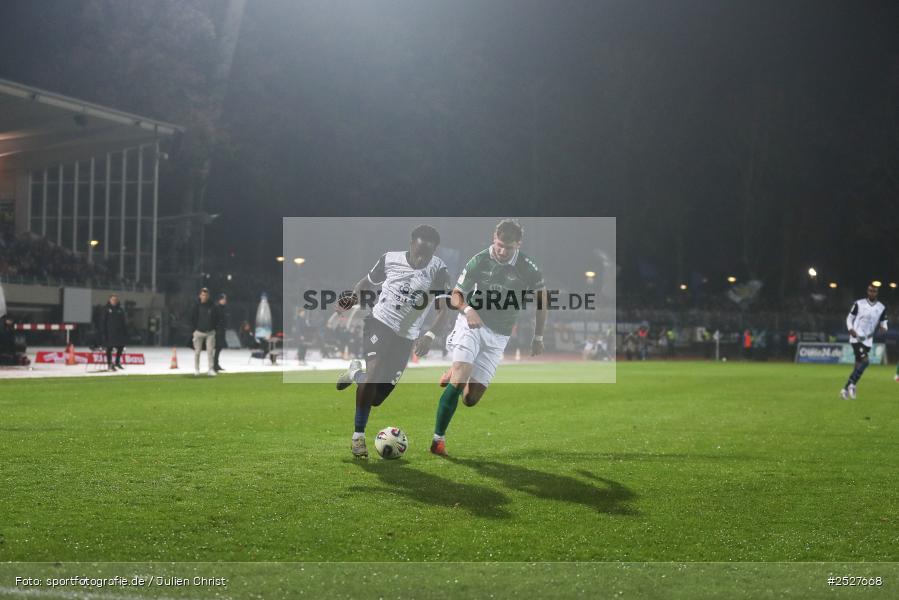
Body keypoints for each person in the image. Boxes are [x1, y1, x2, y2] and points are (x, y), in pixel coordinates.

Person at [430, 218, 547, 457]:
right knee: (460, 379)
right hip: (471, 325)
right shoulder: (479, 260)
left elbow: (542, 302)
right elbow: (456, 295)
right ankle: (437, 439)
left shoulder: (529, 268)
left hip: (499, 336)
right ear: (494, 239)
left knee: (471, 399)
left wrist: (538, 336)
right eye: (498, 245)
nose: (502, 251)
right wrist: (468, 310)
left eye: (508, 247)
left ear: (519, 245)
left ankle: (455, 371)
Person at [334, 224, 452, 458]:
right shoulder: (389, 259)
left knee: (376, 397)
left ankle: (355, 372)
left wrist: (429, 335)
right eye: (418, 252)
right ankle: (358, 437)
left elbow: (443, 311)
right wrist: (351, 299)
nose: (421, 258)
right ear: (411, 243)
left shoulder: (439, 270)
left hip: (405, 337)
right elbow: (365, 283)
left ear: (434, 251)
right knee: (374, 373)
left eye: (426, 255)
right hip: (380, 322)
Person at [841, 284, 887, 399]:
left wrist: (884, 328)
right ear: (867, 291)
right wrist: (850, 329)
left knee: (857, 366)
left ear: (877, 293)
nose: (872, 293)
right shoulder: (859, 304)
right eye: (870, 291)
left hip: (868, 340)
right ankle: (852, 385)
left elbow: (884, 323)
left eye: (874, 291)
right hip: (856, 338)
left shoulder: (881, 307)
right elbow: (849, 318)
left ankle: (844, 390)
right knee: (865, 361)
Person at [189, 287, 219, 377]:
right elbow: (191, 318)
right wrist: (193, 330)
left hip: (210, 332)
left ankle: (210, 369)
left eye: (206, 295)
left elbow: (217, 318)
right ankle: (197, 370)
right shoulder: (196, 306)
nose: (204, 297)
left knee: (210, 352)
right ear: (200, 295)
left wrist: (214, 329)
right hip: (198, 332)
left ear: (208, 296)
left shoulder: (213, 306)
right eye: (203, 295)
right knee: (197, 352)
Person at [102, 294, 127, 370]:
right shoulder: (106, 309)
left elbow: (123, 322)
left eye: (115, 300)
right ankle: (109, 363)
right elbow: (103, 321)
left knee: (121, 347)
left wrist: (124, 332)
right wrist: (104, 332)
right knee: (109, 348)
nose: (114, 301)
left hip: (119, 334)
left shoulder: (120, 309)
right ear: (110, 300)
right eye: (113, 299)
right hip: (109, 333)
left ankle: (117, 362)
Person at [213, 293, 229, 372]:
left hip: (222, 330)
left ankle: (216, 363)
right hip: (218, 331)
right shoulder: (217, 307)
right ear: (220, 299)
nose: (225, 301)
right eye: (224, 299)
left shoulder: (223, 308)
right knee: (218, 347)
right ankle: (214, 364)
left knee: (219, 348)